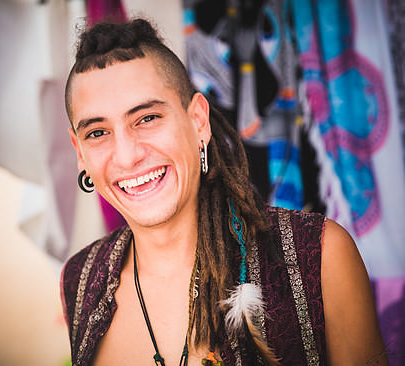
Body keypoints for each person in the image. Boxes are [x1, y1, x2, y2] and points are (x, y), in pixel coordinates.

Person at [60, 18, 388, 366]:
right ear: (79, 151)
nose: (127, 156)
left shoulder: (318, 256)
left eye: (147, 118)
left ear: (198, 121)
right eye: (97, 133)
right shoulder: (81, 281)